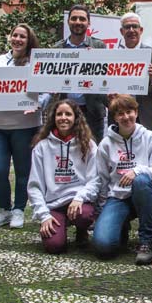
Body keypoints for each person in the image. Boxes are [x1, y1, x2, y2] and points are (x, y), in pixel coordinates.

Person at [92, 95, 152, 265]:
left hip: (147, 194)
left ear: (136, 112)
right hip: (118, 197)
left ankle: (146, 240)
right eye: (120, 114)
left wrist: (137, 171)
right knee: (103, 247)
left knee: (141, 181)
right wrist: (101, 210)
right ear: (114, 117)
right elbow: (101, 177)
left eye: (129, 112)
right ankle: (121, 224)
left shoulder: (151, 138)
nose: (126, 117)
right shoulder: (106, 144)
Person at [27, 99, 100, 254]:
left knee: (85, 215)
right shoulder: (42, 147)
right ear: (53, 118)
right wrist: (44, 215)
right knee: (54, 246)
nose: (63, 118)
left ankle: (82, 230)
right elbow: (34, 186)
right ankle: (60, 226)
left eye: (68, 114)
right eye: (59, 114)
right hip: (54, 204)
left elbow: (95, 179)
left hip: (78, 203)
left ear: (76, 118)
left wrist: (80, 197)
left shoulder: (88, 144)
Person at [0, 24, 42, 229]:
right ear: (10, 38)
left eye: (23, 37)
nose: (18, 39)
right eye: (15, 35)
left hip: (26, 125)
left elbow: (46, 90)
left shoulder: (36, 63)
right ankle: (4, 209)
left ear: (29, 41)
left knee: (23, 171)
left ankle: (19, 209)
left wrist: (39, 104)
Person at [52, 5, 108, 142]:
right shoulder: (57, 48)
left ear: (88, 23)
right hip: (65, 113)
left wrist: (96, 60)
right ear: (68, 22)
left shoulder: (99, 47)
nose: (78, 22)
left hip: (93, 113)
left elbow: (107, 78)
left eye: (82, 19)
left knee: (93, 155)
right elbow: (51, 79)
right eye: (74, 18)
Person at [116, 13, 152, 135]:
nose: (131, 30)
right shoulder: (113, 56)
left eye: (135, 26)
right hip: (121, 117)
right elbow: (103, 90)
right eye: (127, 27)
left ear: (141, 30)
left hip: (148, 117)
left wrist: (150, 80)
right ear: (121, 31)